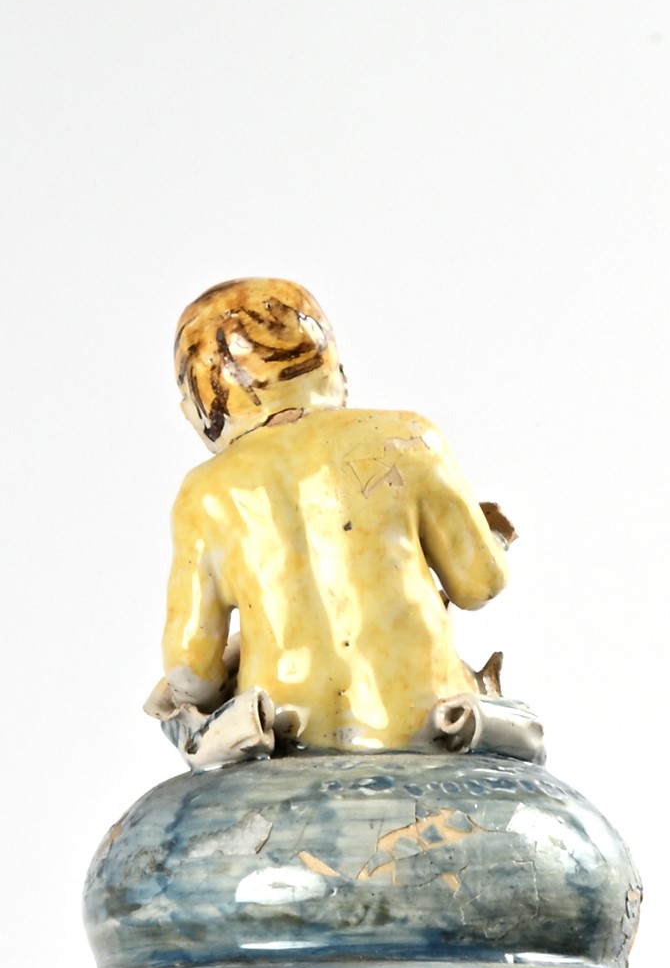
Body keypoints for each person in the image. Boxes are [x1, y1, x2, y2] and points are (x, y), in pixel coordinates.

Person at [148, 277, 512, 752]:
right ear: (338, 372)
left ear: (196, 413)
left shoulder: (205, 494)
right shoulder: (411, 438)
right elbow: (481, 584)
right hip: (430, 729)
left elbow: (189, 671)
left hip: (286, 741)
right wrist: (490, 538)